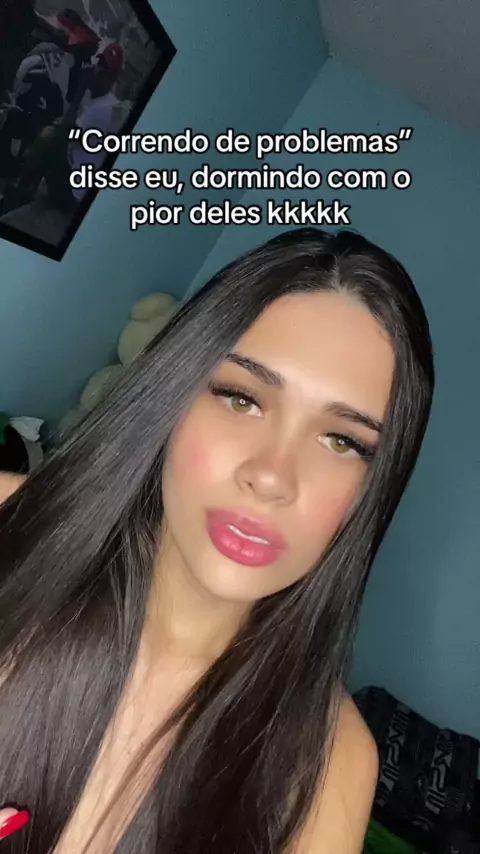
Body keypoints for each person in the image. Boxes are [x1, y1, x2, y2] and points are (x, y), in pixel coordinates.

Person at [0, 227, 435, 853]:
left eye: (343, 441)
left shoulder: (330, 761)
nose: (272, 476)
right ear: (170, 399)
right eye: (241, 398)